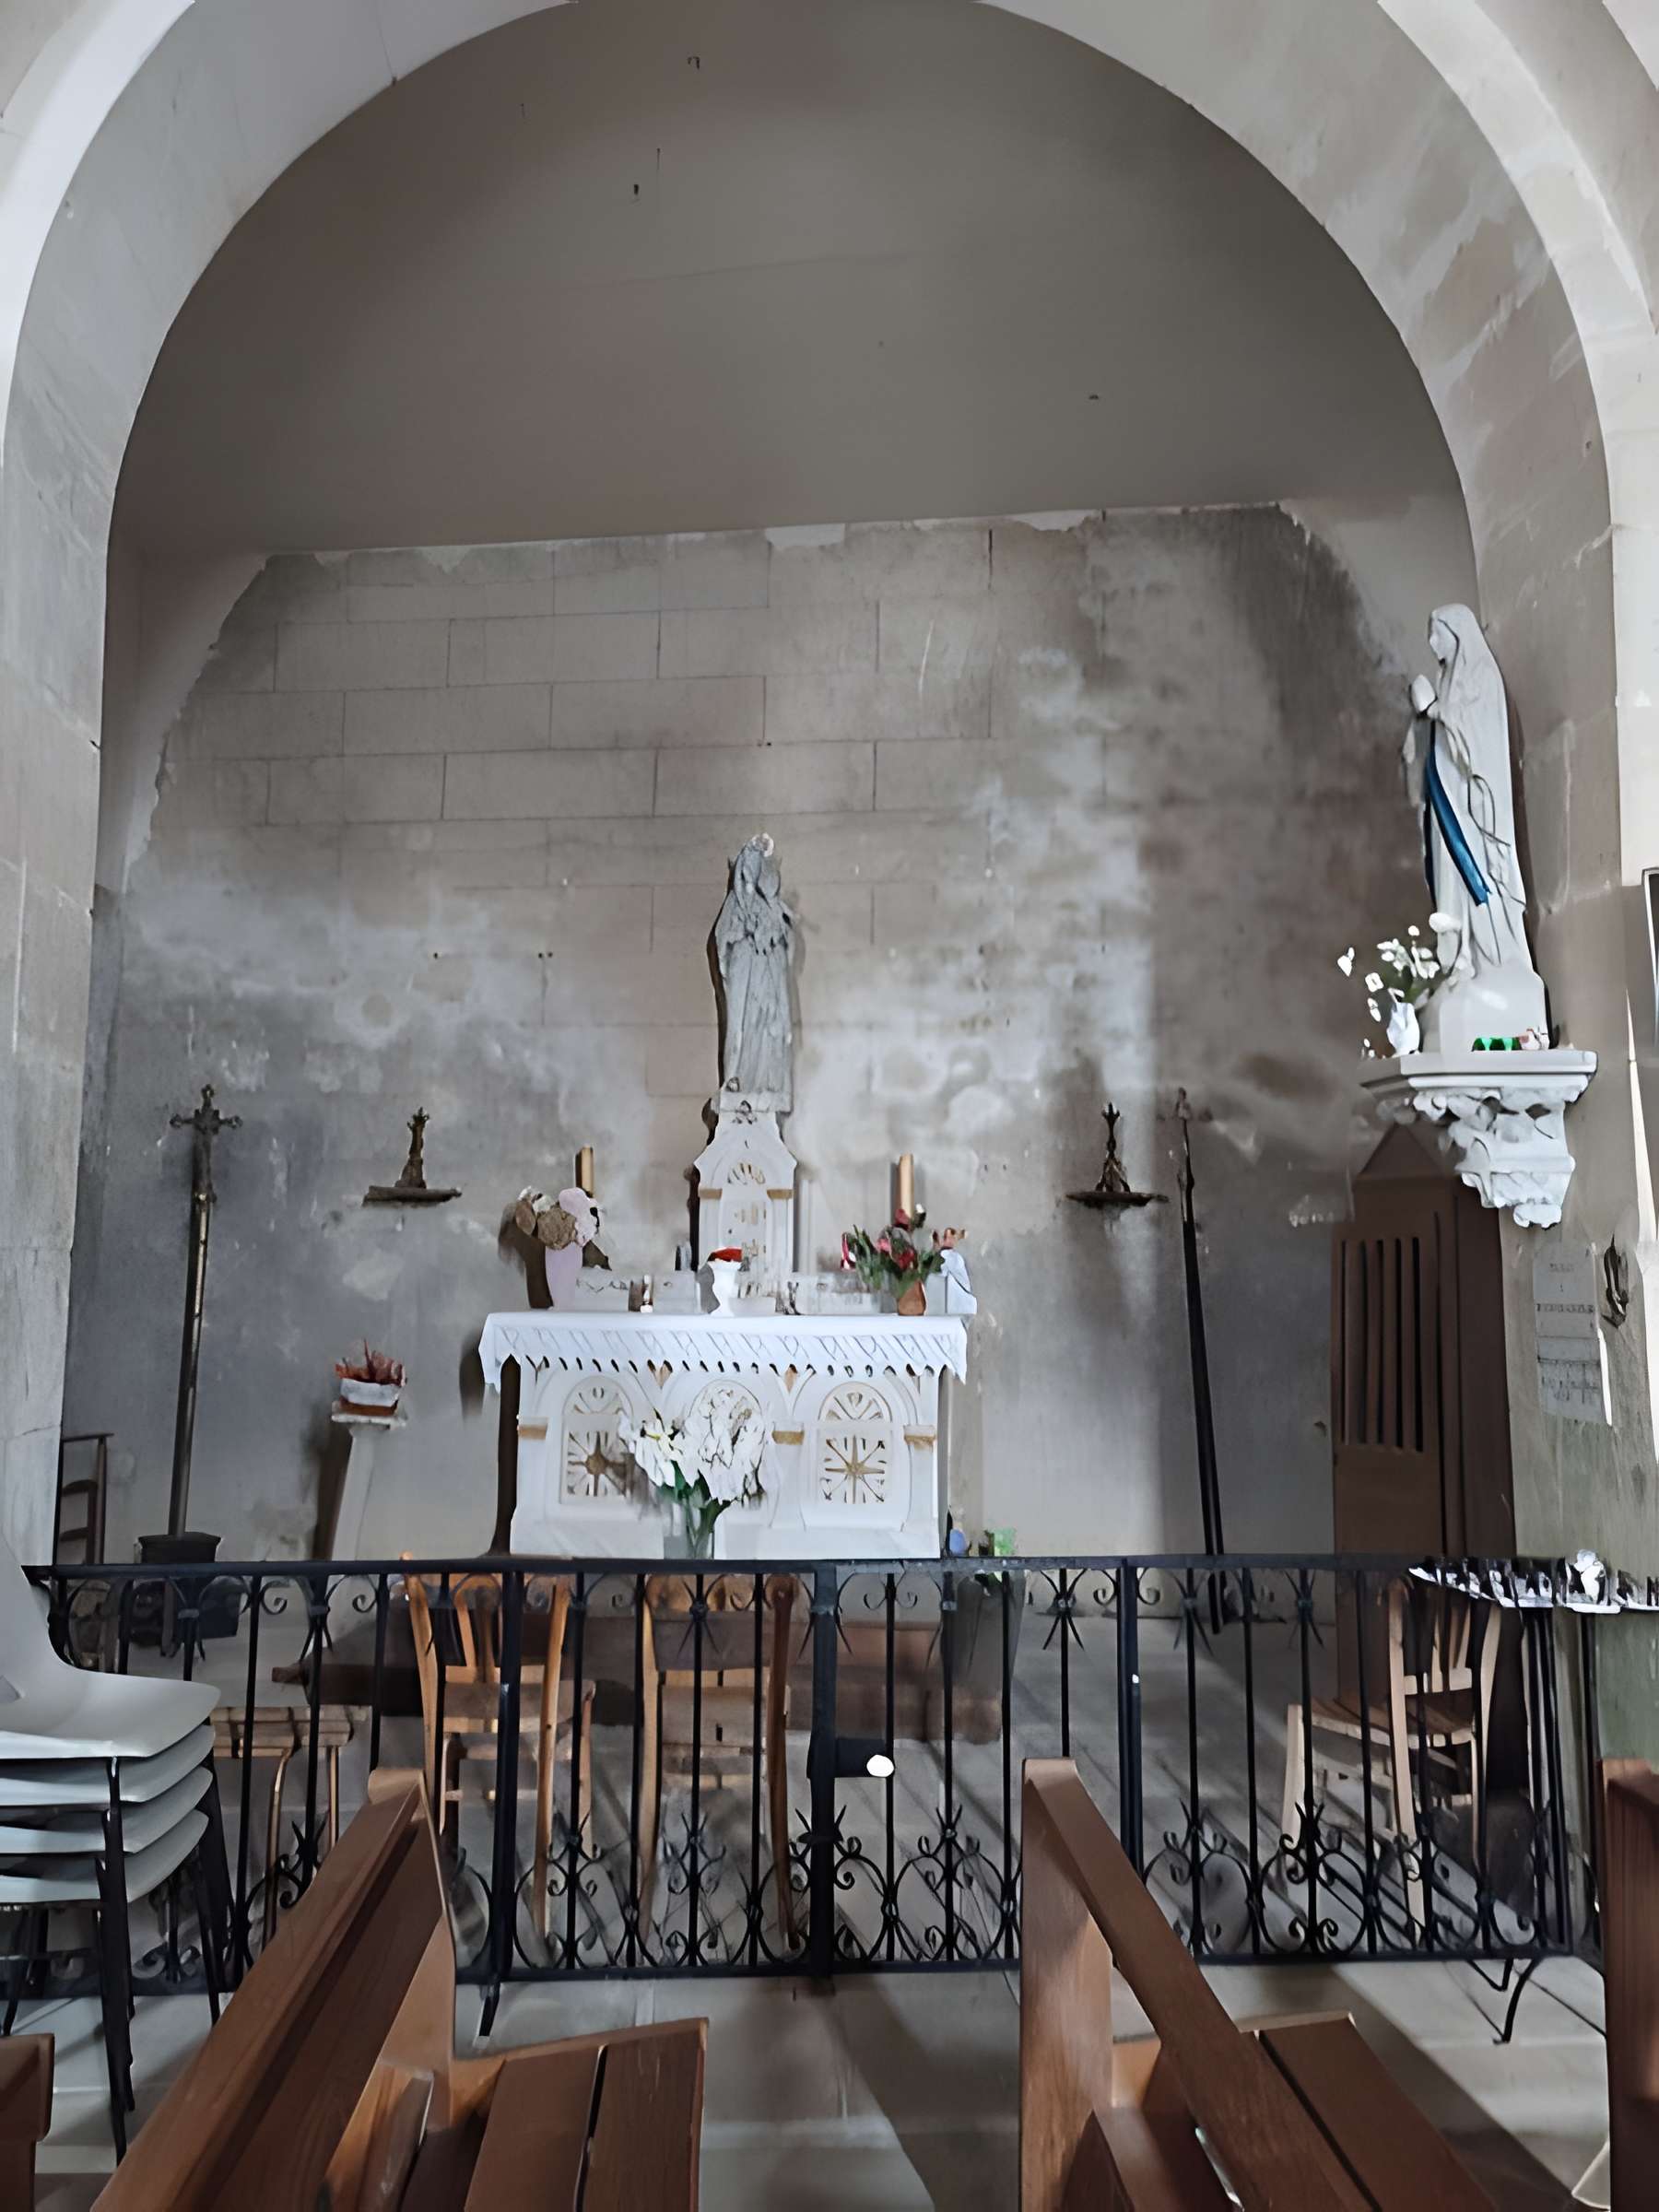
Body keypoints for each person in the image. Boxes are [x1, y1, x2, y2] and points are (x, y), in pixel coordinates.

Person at [713, 834, 794, 1108]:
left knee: (762, 1025)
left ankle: (760, 1082)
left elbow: (783, 947)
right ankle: (732, 1079)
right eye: (745, 870)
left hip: (760, 974)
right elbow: (722, 943)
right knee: (737, 1027)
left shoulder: (769, 908)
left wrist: (764, 936)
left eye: (754, 869)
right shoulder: (732, 908)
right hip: (741, 969)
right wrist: (740, 937)